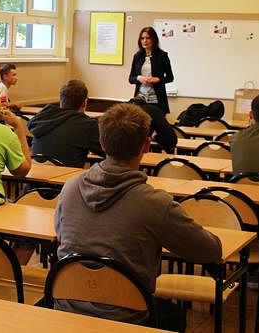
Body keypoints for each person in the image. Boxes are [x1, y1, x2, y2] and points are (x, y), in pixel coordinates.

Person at [53, 103, 222, 326]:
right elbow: (209, 250)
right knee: (175, 318)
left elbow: (60, 234)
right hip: (127, 315)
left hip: (66, 305)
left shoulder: (70, 187)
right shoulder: (156, 203)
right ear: (147, 145)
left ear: (101, 142)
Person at [28, 79, 104, 167]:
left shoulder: (42, 118)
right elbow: (109, 151)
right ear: (84, 103)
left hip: (36, 171)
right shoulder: (87, 125)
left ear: (61, 100)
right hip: (67, 174)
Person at [128, 26, 174, 114]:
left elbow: (170, 77)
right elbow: (131, 79)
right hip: (140, 99)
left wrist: (157, 79)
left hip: (156, 100)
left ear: (153, 39)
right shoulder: (137, 56)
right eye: (142, 38)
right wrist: (139, 78)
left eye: (148, 38)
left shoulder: (162, 56)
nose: (145, 41)